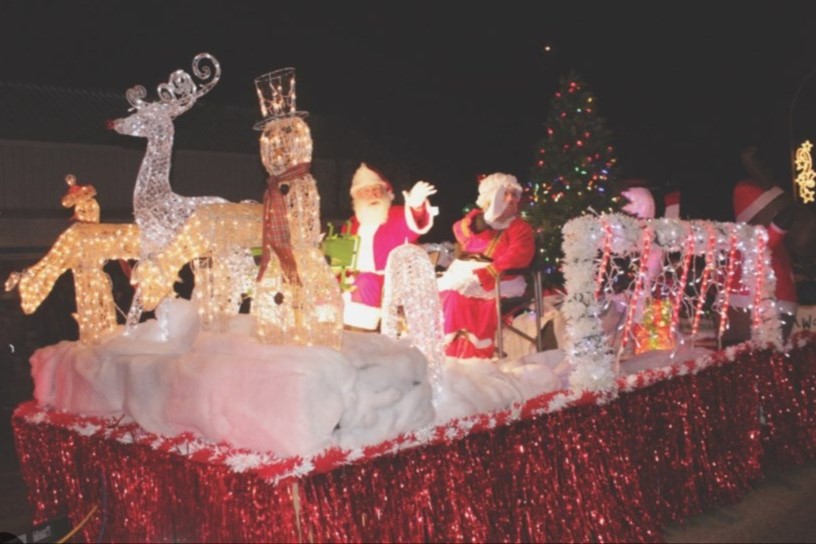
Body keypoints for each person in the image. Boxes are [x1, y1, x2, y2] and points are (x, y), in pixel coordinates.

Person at [438, 172, 535, 359]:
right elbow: (461, 229)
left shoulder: (520, 228)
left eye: (515, 195)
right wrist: (485, 219)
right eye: (505, 194)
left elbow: (519, 256)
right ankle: (451, 349)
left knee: (458, 296)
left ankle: (474, 353)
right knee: (447, 293)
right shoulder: (476, 225)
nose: (511, 199)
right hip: (462, 275)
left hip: (500, 279)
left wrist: (488, 275)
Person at [341, 162, 437, 330]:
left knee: (366, 281)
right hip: (351, 278)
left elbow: (414, 223)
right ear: (357, 197)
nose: (372, 195)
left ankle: (361, 333)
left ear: (386, 192)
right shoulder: (351, 223)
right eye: (366, 191)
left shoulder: (397, 215)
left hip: (391, 279)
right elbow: (342, 258)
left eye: (376, 189)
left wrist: (416, 206)